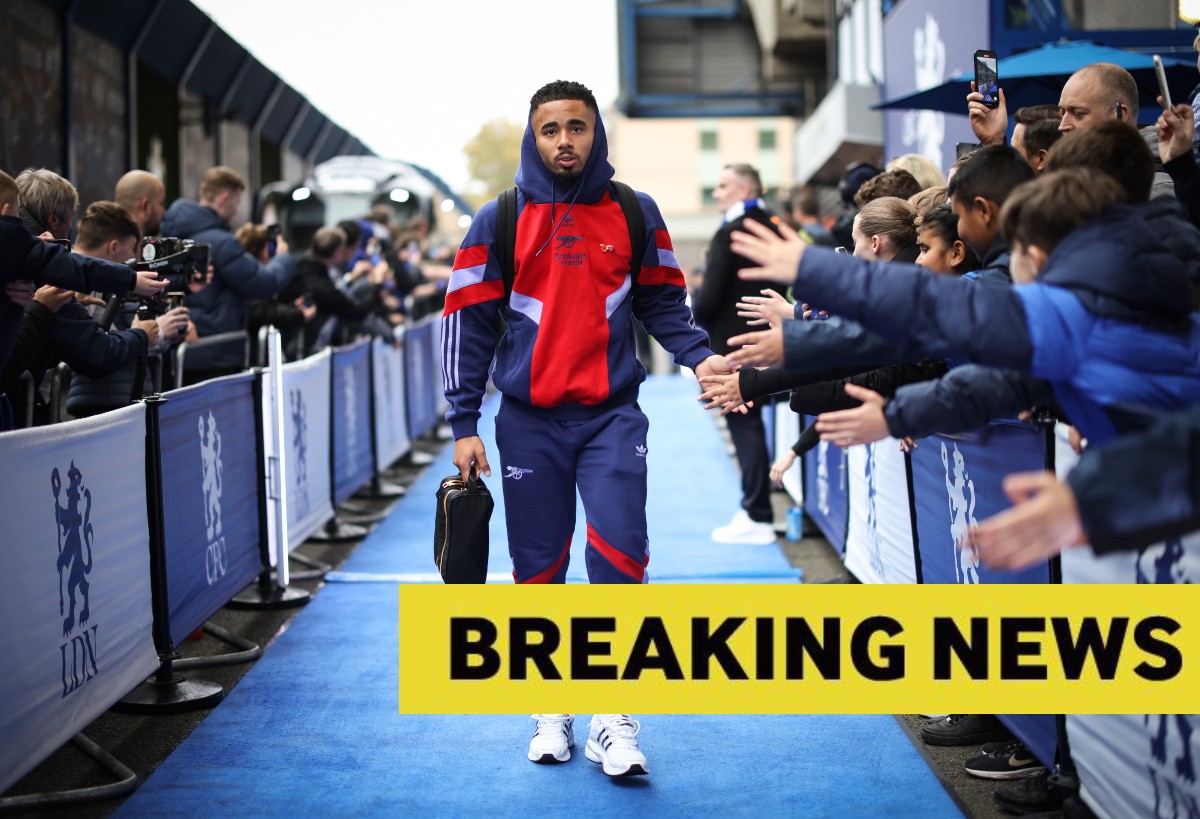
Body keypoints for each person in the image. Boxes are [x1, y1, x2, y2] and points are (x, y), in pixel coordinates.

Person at [441, 79, 729, 779]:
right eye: (550, 129)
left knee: (620, 558)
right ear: (532, 137)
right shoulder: (499, 218)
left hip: (611, 418)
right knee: (537, 569)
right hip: (528, 424)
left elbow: (666, 307)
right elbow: (466, 322)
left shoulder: (636, 211)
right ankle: (552, 705)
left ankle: (613, 715)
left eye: (578, 126)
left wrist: (703, 362)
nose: (565, 140)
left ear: (597, 133)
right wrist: (461, 419)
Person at [691, 163, 782, 545]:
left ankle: (758, 513)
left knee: (746, 427)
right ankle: (756, 508)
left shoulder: (731, 232)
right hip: (774, 338)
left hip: (735, 348)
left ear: (745, 187)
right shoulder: (776, 227)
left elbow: (708, 299)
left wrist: (693, 318)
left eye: (723, 185)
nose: (716, 192)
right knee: (753, 427)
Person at [161, 166, 296, 381]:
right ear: (225, 198)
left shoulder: (170, 237)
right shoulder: (222, 243)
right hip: (215, 351)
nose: (236, 210)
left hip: (180, 348)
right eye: (236, 202)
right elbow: (265, 283)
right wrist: (283, 257)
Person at [114, 170, 166, 238]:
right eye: (161, 204)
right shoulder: (127, 247)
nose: (163, 211)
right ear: (145, 206)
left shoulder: (104, 242)